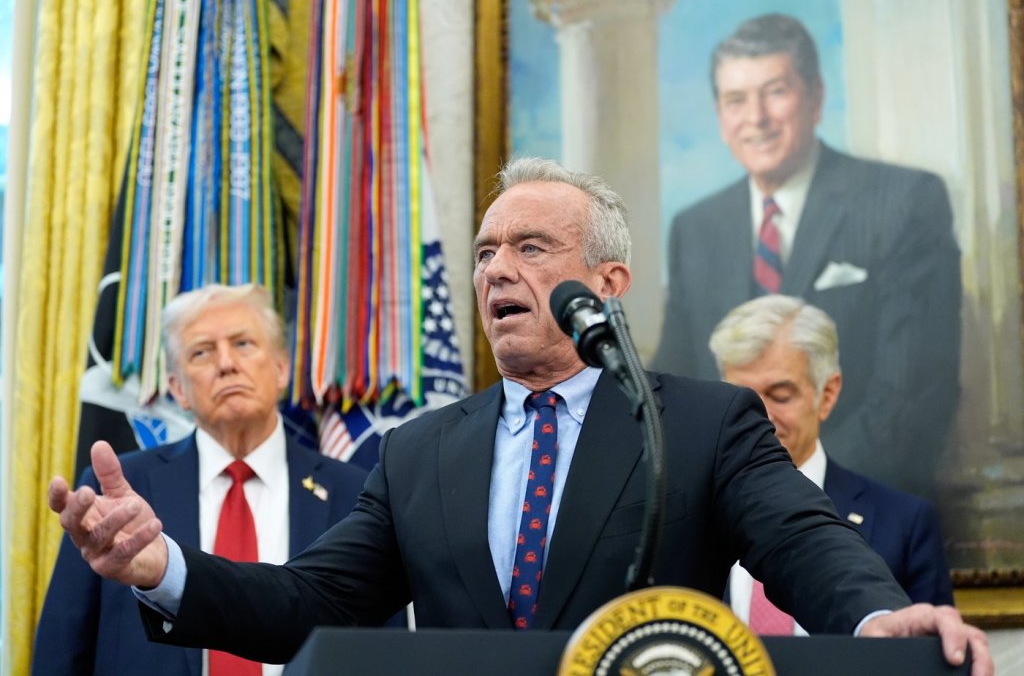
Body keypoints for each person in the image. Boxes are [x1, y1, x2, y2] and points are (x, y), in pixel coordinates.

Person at [47, 158, 990, 675]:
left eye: (531, 248)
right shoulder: (419, 452)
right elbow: (309, 602)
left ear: (608, 283)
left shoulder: (701, 424)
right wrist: (161, 567)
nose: (497, 268)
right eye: (486, 252)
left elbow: (805, 541)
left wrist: (878, 618)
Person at [650, 13, 961, 498]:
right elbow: (674, 391)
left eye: (775, 91)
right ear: (720, 117)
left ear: (815, 98)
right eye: (736, 100)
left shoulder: (904, 203)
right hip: (724, 513)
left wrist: (792, 503)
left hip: (855, 508)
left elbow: (911, 399)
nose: (756, 118)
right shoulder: (695, 229)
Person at [33, 284, 372, 676]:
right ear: (178, 389)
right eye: (202, 352)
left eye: (243, 344)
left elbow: (383, 645)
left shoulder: (354, 493)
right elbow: (62, 651)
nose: (226, 364)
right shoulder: (117, 492)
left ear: (281, 368)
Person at [707, 295, 955, 635]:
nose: (761, 417)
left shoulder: (905, 523)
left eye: (780, 395)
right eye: (741, 400)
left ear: (826, 394)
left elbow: (923, 655)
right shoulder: (689, 516)